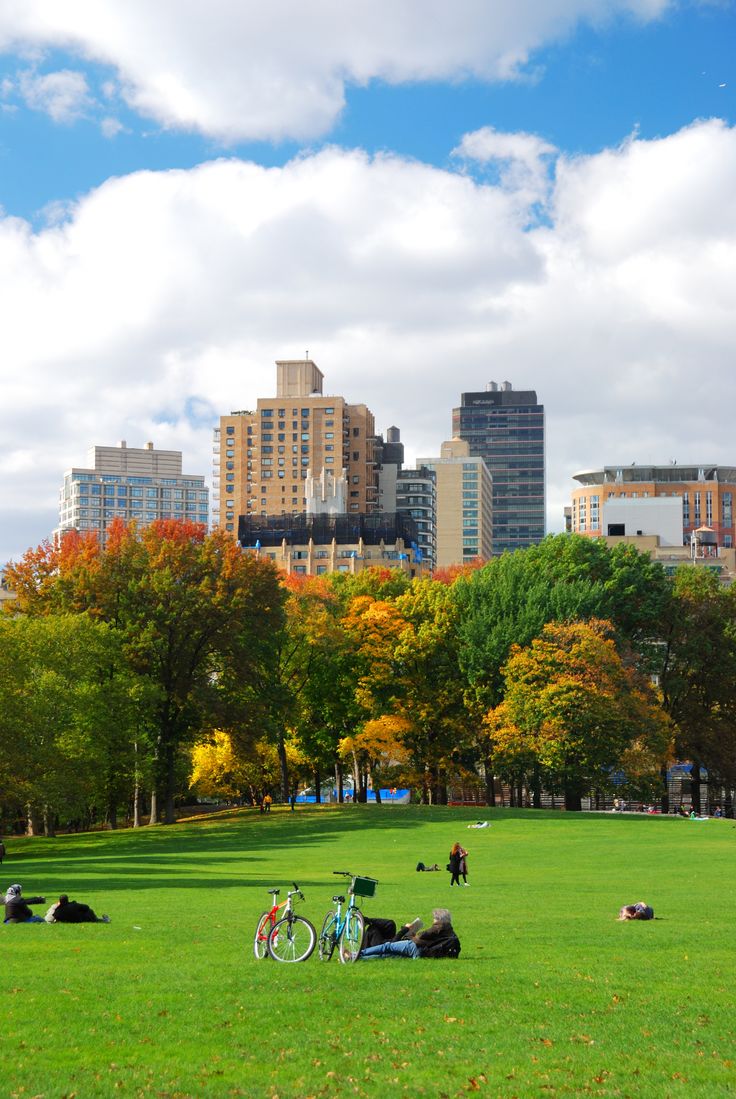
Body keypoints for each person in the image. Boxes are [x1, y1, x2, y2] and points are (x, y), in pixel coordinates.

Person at [358, 908, 460, 959]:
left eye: (434, 918)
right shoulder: (451, 933)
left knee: (386, 947)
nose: (433, 920)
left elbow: (424, 935)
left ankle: (358, 954)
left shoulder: (440, 926)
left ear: (439, 918)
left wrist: (413, 934)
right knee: (387, 955)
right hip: (421, 954)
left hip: (414, 947)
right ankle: (359, 957)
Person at [46, 895, 110, 923]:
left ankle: (101, 919)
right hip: (80, 919)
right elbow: (86, 907)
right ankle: (103, 920)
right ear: (67, 900)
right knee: (88, 911)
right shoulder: (74, 905)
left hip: (71, 920)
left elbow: (55, 918)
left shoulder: (58, 910)